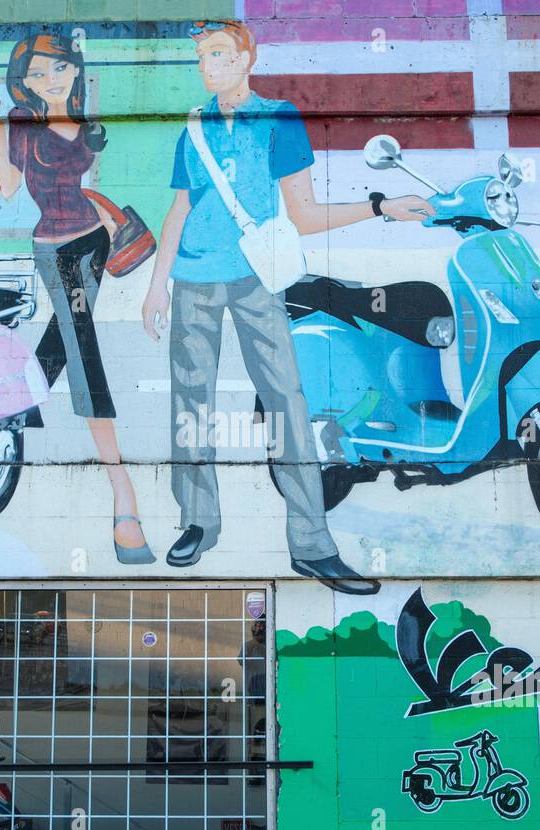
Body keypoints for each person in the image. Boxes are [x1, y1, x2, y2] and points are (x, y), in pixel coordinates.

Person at [139, 19, 431, 595]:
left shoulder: (278, 118)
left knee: (287, 405)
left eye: (222, 55)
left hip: (255, 280)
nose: (211, 66)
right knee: (189, 405)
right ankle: (198, 521)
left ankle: (313, 547)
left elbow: (305, 215)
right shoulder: (193, 128)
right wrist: (157, 285)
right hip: (193, 279)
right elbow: (177, 211)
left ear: (249, 58)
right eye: (204, 58)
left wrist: (379, 206)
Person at [0, 34, 156, 565]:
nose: (51, 79)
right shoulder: (23, 123)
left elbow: (78, 183)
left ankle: (8, 408)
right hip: (55, 249)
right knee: (83, 351)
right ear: (24, 81)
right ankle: (124, 498)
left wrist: (108, 223)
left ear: (74, 69)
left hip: (94, 242)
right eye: (39, 73)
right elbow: (10, 189)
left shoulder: (85, 124)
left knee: (64, 343)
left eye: (59, 67)